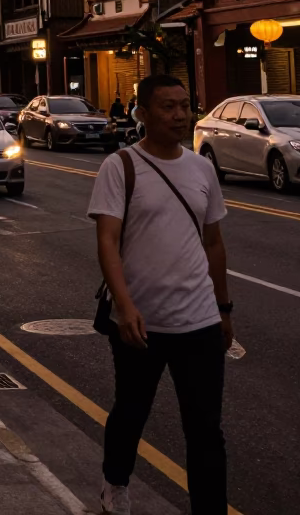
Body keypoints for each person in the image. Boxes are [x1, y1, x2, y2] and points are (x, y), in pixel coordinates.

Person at [88, 74, 232, 515]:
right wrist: (126, 306)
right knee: (131, 411)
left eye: (184, 105)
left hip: (200, 321)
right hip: (140, 322)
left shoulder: (202, 168)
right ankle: (115, 485)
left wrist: (224, 309)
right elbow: (107, 242)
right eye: (168, 107)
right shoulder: (121, 167)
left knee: (206, 428)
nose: (179, 115)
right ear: (143, 114)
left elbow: (213, 243)